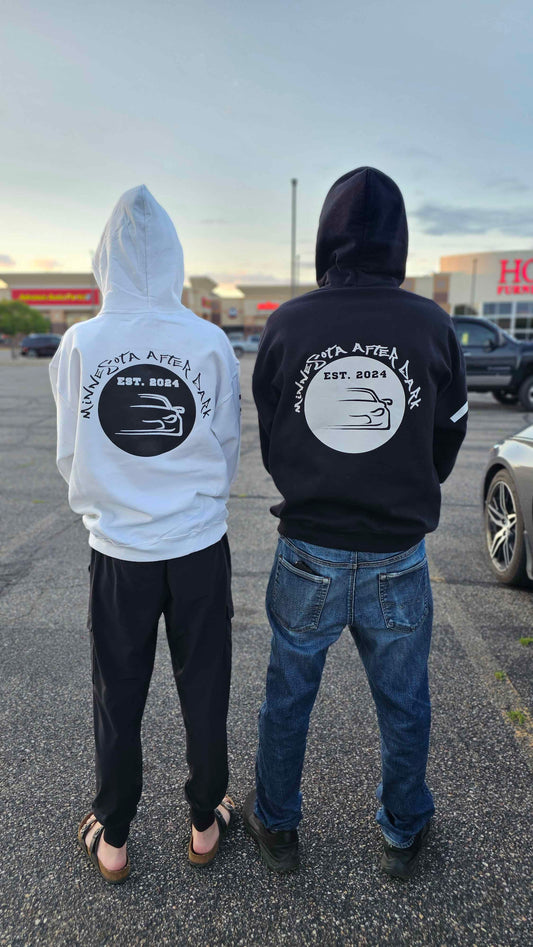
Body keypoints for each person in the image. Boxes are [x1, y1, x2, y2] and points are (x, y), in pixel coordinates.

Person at [244, 167, 467, 880]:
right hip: (396, 552)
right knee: (404, 700)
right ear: (398, 239)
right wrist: (405, 486)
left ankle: (277, 825)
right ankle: (402, 829)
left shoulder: (288, 323)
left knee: (287, 695)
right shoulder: (431, 326)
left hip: (307, 545)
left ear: (326, 235)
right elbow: (449, 434)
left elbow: (275, 434)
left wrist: (313, 488)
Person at [50, 186, 240, 882]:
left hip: (119, 554)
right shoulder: (209, 341)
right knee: (205, 685)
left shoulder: (81, 344)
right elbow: (225, 450)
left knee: (118, 693)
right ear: (173, 261)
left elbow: (72, 453)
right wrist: (192, 504)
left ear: (106, 258)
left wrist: (111, 507)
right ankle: (201, 821)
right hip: (196, 546)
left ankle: (115, 836)